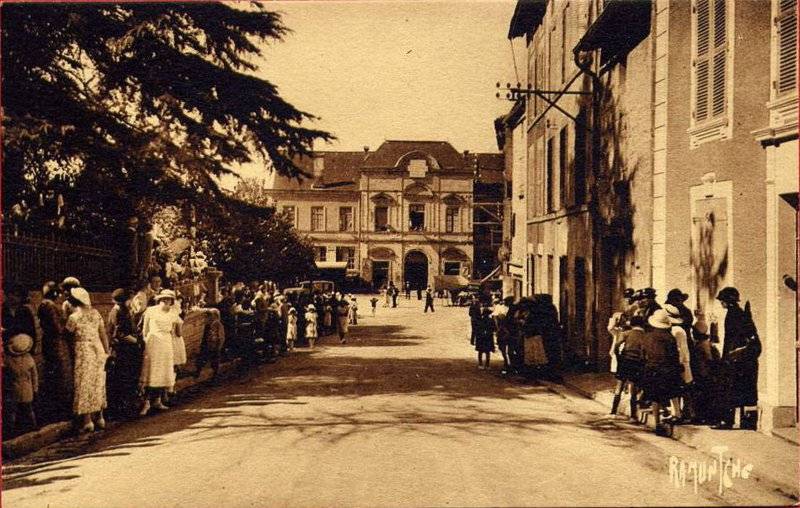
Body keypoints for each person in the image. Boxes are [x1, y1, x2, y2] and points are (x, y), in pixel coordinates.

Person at [713, 287, 761, 430]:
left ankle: (727, 421)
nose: (721, 303)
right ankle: (748, 422)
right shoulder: (740, 314)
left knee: (729, 389)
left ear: (727, 301)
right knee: (746, 390)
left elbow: (732, 340)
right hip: (744, 359)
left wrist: (727, 357)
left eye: (722, 300)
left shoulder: (733, 315)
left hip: (736, 359)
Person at [65, 287, 110, 433]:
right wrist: (106, 351)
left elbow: (68, 335)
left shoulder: (74, 317)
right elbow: (103, 334)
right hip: (98, 348)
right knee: (98, 381)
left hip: (83, 350)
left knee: (84, 382)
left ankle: (87, 420)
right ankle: (100, 417)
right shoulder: (95, 313)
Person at [640, 309, 683, 437]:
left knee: (655, 397)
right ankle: (677, 413)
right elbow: (674, 356)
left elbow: (643, 354)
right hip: (667, 369)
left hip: (651, 369)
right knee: (673, 391)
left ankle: (657, 423)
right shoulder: (670, 338)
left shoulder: (647, 336)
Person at [140, 290, 182, 416]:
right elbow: (145, 330)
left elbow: (178, 333)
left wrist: (179, 323)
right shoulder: (151, 311)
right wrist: (147, 341)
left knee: (163, 372)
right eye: (163, 299)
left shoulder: (173, 314)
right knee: (152, 371)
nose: (166, 301)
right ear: (159, 300)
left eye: (169, 299)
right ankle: (146, 402)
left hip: (166, 343)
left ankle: (157, 401)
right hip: (153, 342)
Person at [37, 281, 73, 421]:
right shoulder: (50, 306)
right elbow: (58, 327)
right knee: (61, 375)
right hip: (57, 344)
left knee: (55, 375)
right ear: (55, 294)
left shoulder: (44, 304)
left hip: (50, 343)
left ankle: (57, 409)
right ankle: (61, 410)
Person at [106, 288, 143, 418]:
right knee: (122, 378)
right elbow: (120, 333)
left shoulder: (124, 311)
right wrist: (136, 340)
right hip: (122, 350)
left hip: (128, 349)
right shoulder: (117, 312)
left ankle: (128, 406)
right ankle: (121, 409)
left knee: (128, 377)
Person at [612, 315, 648, 420]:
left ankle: (613, 411)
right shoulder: (645, 335)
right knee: (633, 389)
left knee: (619, 386)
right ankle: (633, 415)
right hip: (637, 363)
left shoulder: (626, 333)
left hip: (625, 361)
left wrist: (618, 357)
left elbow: (617, 345)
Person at [3, 334, 39, 435]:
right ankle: (33, 425)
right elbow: (34, 376)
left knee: (12, 410)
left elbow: (6, 375)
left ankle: (10, 429)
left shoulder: (8, 360)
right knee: (29, 409)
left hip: (14, 388)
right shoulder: (29, 359)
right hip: (27, 388)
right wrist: (35, 389)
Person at [664, 304, 693, 422]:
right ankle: (679, 412)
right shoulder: (678, 330)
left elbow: (679, 350)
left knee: (678, 388)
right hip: (682, 362)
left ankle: (679, 413)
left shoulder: (676, 331)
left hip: (680, 363)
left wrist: (676, 363)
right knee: (681, 388)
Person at [195, 309, 226, 381]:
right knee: (202, 359)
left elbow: (221, 336)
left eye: (209, 316)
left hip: (214, 346)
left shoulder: (218, 324)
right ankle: (199, 372)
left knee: (214, 361)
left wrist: (219, 346)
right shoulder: (208, 325)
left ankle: (215, 375)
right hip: (208, 345)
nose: (207, 318)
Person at [492, 297, 512, 373]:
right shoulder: (502, 308)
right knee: (505, 348)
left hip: (505, 331)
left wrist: (498, 328)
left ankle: (507, 363)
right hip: (504, 331)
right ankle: (507, 363)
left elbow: (496, 319)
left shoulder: (502, 309)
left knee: (505, 348)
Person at [475, 305, 495, 370]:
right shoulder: (491, 320)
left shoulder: (480, 320)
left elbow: (477, 329)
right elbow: (494, 328)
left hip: (482, 336)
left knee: (481, 351)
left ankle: (481, 364)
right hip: (488, 336)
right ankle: (487, 365)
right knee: (487, 351)